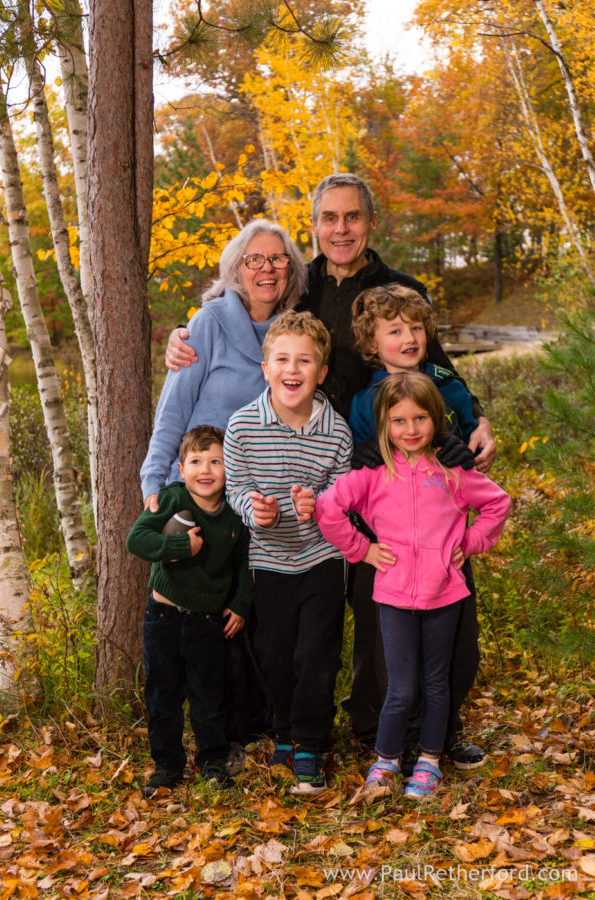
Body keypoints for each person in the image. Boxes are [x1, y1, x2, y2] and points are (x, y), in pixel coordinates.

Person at [163, 173, 496, 759]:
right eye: (328, 219)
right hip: (315, 471)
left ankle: (424, 729)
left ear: (369, 222)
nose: (340, 229)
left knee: (417, 600)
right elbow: (245, 318)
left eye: (352, 217)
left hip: (398, 470)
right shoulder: (299, 290)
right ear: (314, 226)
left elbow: (439, 371)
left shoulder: (400, 291)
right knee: (328, 611)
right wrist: (183, 335)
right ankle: (322, 726)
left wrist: (477, 422)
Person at [140, 219, 306, 748]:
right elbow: (174, 409)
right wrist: (155, 478)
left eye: (276, 259)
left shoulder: (294, 329)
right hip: (206, 493)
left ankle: (262, 721)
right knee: (209, 613)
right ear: (235, 268)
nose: (266, 268)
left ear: (290, 269)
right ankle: (216, 732)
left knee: (255, 606)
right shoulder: (208, 323)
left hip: (267, 494)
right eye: (254, 259)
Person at [313, 373, 510, 798]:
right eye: (398, 421)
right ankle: (385, 761)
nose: (410, 429)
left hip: (445, 593)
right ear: (384, 424)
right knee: (401, 687)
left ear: (435, 420)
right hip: (394, 595)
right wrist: (361, 549)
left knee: (436, 683)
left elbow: (497, 502)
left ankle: (429, 761)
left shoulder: (452, 471)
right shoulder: (373, 474)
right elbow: (328, 508)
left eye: (420, 418)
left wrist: (471, 541)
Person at [223, 311, 353, 796]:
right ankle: (282, 729)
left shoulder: (336, 432)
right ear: (265, 367)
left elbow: (342, 493)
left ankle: (310, 744)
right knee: (274, 655)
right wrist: (254, 511)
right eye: (282, 359)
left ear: (321, 372)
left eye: (304, 360)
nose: (291, 369)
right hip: (268, 562)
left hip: (321, 559)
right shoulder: (241, 427)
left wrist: (318, 506)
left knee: (316, 655)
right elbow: (237, 489)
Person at [126, 426, 253, 796]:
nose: (206, 469)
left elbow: (244, 566)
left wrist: (240, 604)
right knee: (162, 696)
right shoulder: (172, 499)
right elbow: (138, 539)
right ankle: (166, 766)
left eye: (216, 460)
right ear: (181, 469)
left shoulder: (233, 515)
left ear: (230, 467)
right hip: (163, 618)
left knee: (208, 697)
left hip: (208, 621)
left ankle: (213, 762)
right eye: (196, 461)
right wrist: (181, 546)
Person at [349, 284, 477, 444]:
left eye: (416, 328)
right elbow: (359, 459)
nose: (410, 338)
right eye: (395, 331)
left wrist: (464, 455)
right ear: (371, 344)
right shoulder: (365, 402)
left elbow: (475, 448)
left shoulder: (451, 388)